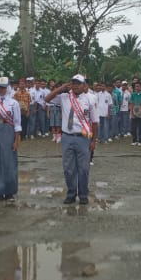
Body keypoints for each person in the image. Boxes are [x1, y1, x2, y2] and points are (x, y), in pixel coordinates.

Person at [46, 74, 99, 205]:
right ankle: (71, 194)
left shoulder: (90, 99)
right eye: (73, 83)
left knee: (83, 168)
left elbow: (95, 122)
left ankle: (83, 194)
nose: (75, 85)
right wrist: (62, 88)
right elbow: (47, 99)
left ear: (84, 85)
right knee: (68, 168)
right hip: (67, 137)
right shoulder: (64, 97)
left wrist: (93, 141)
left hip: (83, 138)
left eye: (78, 83)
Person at [129, 82, 141, 146]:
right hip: (134, 113)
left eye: (138, 86)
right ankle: (134, 140)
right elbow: (131, 104)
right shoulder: (133, 95)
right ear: (134, 87)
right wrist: (131, 114)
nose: (137, 87)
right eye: (136, 86)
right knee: (133, 128)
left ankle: (140, 141)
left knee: (140, 128)